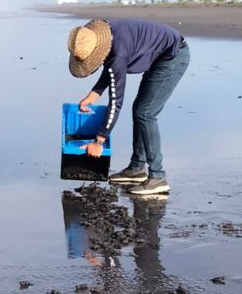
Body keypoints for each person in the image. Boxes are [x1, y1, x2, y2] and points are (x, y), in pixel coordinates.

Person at [67, 18, 190, 195]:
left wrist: (98, 141)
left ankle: (158, 177)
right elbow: (109, 67)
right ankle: (137, 168)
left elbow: (116, 101)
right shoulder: (108, 38)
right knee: (140, 110)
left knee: (146, 113)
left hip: (173, 56)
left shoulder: (118, 55)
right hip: (161, 53)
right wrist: (94, 94)